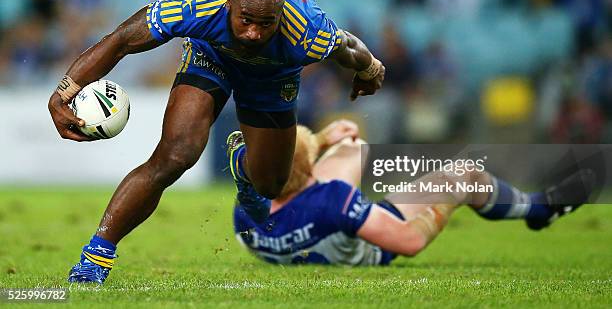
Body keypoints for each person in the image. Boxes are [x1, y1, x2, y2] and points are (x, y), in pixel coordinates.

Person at [48, 0, 385, 283]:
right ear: (228, 5)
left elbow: (347, 46)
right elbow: (121, 40)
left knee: (270, 186)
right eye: (246, 20)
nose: (253, 33)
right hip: (211, 57)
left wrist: (369, 68)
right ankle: (95, 258)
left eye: (265, 24)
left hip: (272, 76)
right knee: (174, 157)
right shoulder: (193, 3)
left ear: (280, 16)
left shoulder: (309, 27)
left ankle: (243, 163)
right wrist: (64, 92)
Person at [233, 119, 597, 265]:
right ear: (310, 172)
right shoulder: (333, 200)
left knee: (351, 144)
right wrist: (443, 206)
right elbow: (407, 242)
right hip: (366, 246)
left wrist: (324, 139)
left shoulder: (245, 202)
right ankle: (539, 209)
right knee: (464, 175)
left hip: (293, 235)